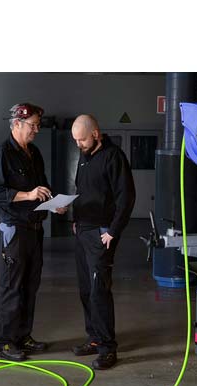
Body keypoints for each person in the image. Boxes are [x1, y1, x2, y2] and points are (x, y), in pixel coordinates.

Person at [0, 103, 67, 361]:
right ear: (17, 124)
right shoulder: (1, 153)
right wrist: (28, 195)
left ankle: (23, 336)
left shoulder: (34, 153)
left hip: (34, 230)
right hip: (14, 230)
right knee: (11, 286)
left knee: (30, 286)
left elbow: (42, 187)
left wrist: (54, 204)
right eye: (33, 125)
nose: (36, 130)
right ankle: (4, 343)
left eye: (38, 125)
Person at [71, 114, 136, 370]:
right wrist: (76, 219)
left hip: (101, 233)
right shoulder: (84, 156)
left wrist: (113, 231)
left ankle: (108, 348)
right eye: (76, 140)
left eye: (82, 140)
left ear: (96, 134)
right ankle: (95, 338)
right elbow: (82, 191)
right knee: (86, 289)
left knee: (99, 291)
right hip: (82, 230)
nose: (79, 145)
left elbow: (126, 197)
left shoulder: (113, 157)